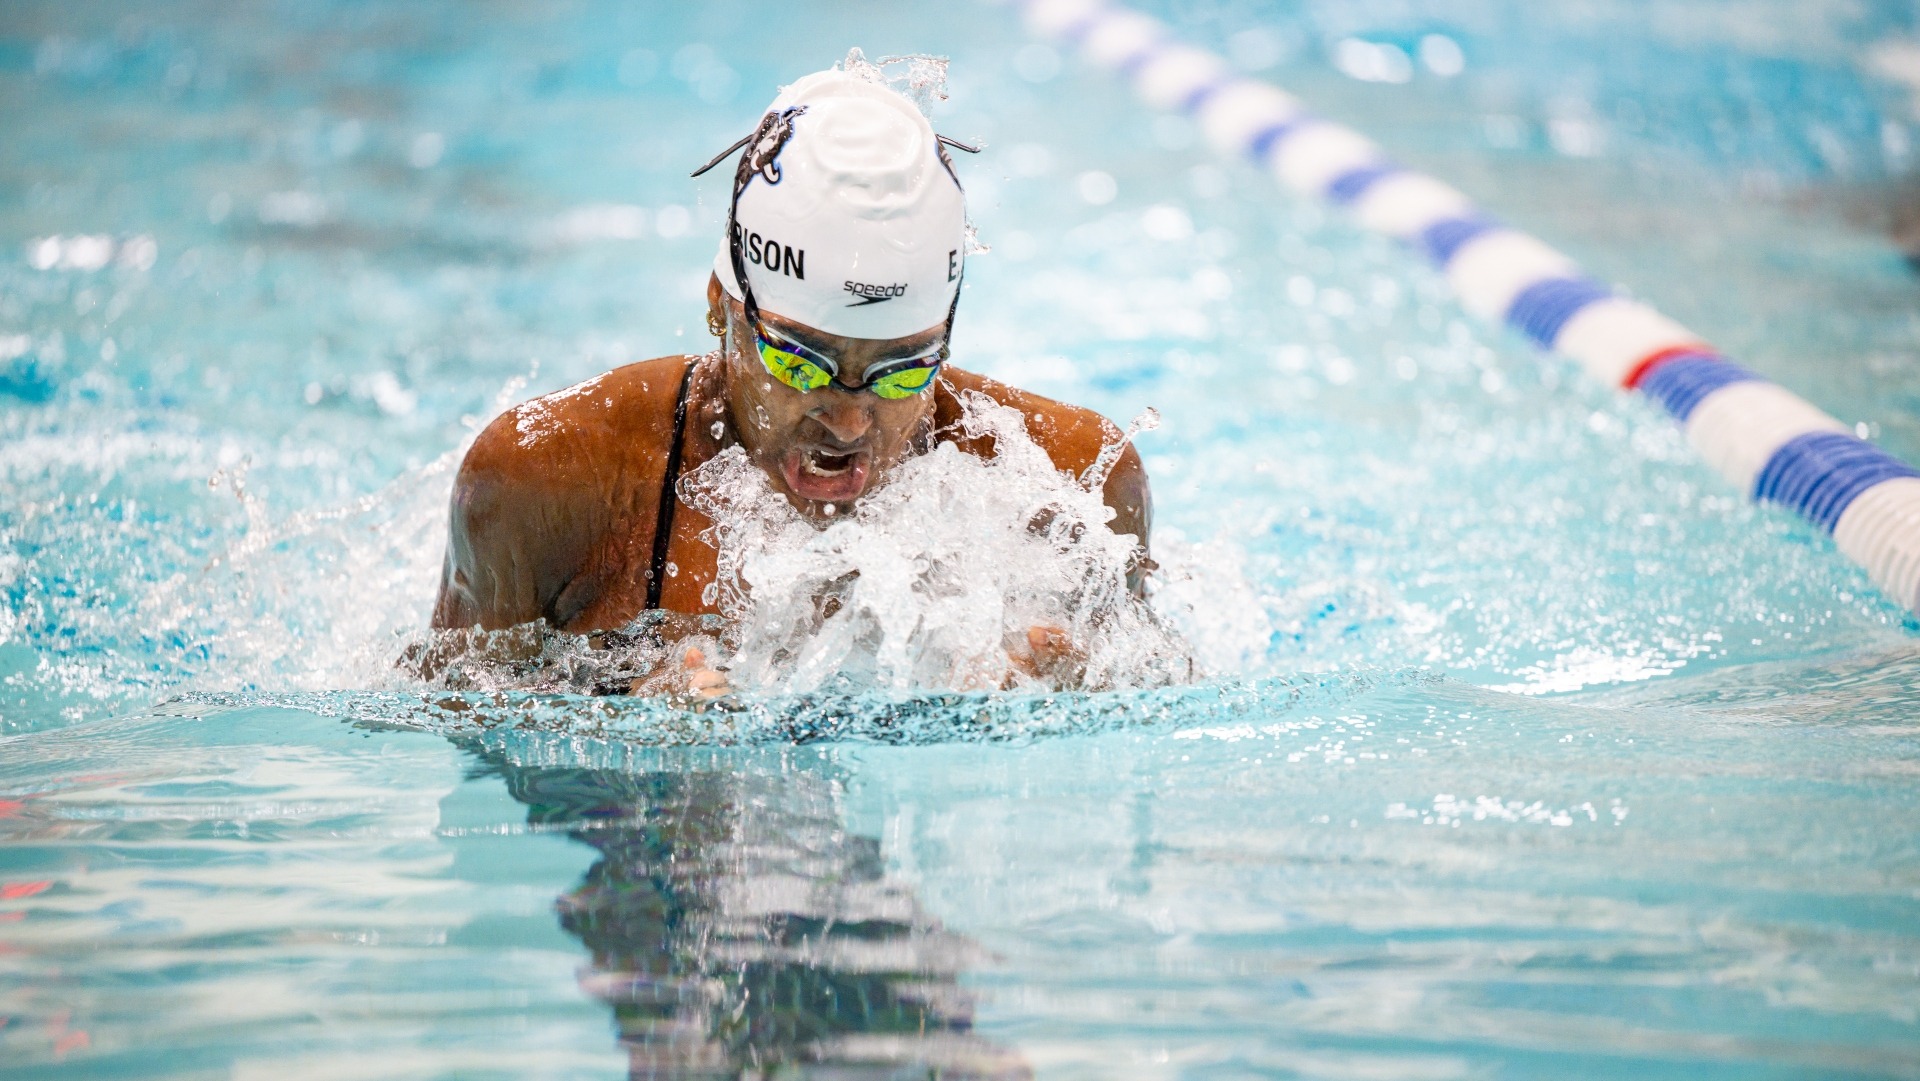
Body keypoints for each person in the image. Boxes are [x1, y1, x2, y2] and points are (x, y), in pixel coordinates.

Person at [429, 64, 1151, 695]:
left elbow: (1162, 685)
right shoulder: (550, 484)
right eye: (800, 362)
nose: (846, 421)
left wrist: (1087, 689)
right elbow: (444, 722)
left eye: (901, 372)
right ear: (722, 308)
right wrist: (619, 716)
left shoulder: (1076, 485)